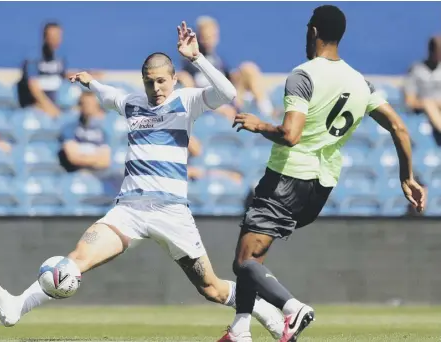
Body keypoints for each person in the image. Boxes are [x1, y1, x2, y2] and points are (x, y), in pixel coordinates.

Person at [0, 21, 284, 339]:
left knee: (211, 288)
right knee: (76, 260)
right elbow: (107, 94)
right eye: (150, 82)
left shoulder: (186, 102)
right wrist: (89, 82)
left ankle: (265, 311)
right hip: (129, 211)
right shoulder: (132, 104)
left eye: (162, 81)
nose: (156, 89)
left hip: (171, 213)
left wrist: (197, 58)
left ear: (174, 79)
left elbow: (229, 93)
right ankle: (17, 306)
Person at [218, 6, 426, 342]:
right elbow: (399, 127)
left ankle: (292, 308)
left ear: (313, 32)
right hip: (321, 187)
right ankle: (240, 329)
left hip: (288, 175)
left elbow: (290, 134)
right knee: (254, 252)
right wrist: (406, 176)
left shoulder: (303, 75)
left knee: (243, 262)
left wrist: (259, 124)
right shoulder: (361, 83)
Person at [178, 16, 274, 119]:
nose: (209, 40)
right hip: (211, 105)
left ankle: (269, 114)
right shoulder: (189, 63)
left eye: (212, 35)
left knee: (248, 68)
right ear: (199, 37)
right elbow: (190, 91)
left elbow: (230, 80)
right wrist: (218, 108)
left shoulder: (219, 61)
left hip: (230, 101)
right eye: (205, 36)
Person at [17, 22, 66, 117]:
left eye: (58, 36)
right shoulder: (33, 59)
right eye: (52, 36)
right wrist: (50, 108)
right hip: (38, 106)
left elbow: (63, 78)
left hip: (57, 105)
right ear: (45, 37)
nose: (55, 39)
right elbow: (33, 86)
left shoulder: (60, 59)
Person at [58, 92, 111, 173]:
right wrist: (96, 157)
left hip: (97, 176)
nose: (87, 107)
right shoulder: (70, 128)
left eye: (91, 104)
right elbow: (73, 158)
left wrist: (83, 156)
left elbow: (105, 161)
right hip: (75, 174)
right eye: (84, 103)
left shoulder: (103, 131)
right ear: (79, 106)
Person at [404, 35, 441, 144]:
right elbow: (410, 101)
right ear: (431, 51)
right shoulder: (416, 70)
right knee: (429, 103)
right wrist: (429, 103)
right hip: (425, 106)